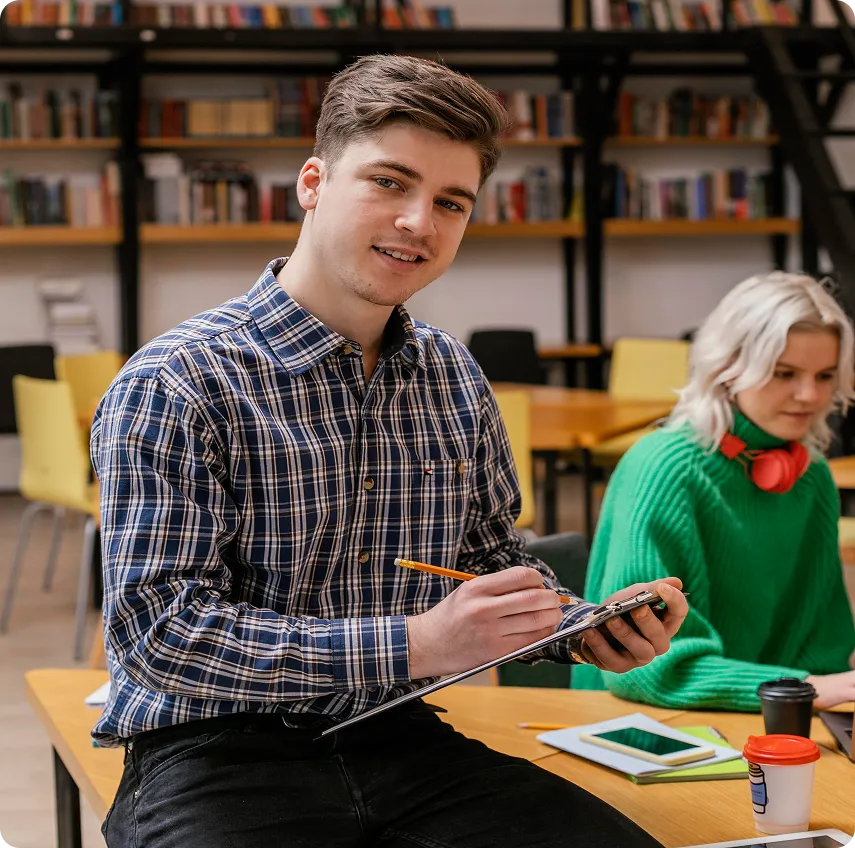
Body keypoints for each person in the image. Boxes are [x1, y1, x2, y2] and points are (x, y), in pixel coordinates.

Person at [91, 54, 689, 848]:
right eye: (388, 183)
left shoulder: (452, 373)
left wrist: (578, 626)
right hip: (211, 755)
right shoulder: (178, 380)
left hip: (399, 735)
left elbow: (487, 562)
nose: (420, 222)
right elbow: (160, 634)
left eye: (450, 201)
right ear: (312, 183)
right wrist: (419, 643)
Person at [574, 272, 855, 712]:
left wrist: (808, 691)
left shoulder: (811, 475)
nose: (809, 395)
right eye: (784, 373)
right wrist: (806, 687)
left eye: (824, 376)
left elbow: (826, 645)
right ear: (727, 367)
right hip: (636, 722)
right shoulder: (664, 468)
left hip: (769, 714)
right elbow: (644, 669)